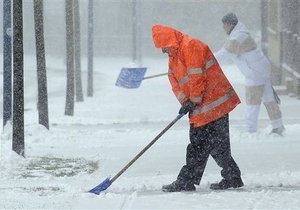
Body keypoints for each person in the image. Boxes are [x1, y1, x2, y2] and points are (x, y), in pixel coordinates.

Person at [152, 24, 244, 192]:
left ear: (170, 41)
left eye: (163, 47)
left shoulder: (191, 46)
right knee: (218, 145)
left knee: (198, 145)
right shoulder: (174, 56)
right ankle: (232, 177)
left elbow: (197, 77)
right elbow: (174, 82)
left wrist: (192, 101)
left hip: (213, 102)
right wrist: (184, 101)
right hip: (203, 106)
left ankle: (186, 180)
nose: (163, 51)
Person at [214, 13, 285, 135]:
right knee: (269, 99)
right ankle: (278, 125)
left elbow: (225, 53)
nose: (223, 28)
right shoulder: (240, 33)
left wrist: (206, 60)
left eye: (224, 25)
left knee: (253, 101)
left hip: (255, 72)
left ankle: (250, 130)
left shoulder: (238, 37)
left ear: (229, 24)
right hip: (261, 69)